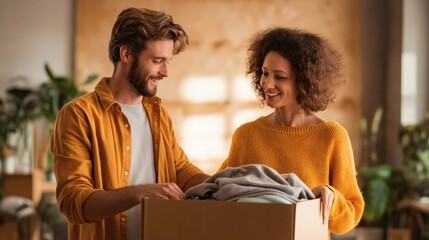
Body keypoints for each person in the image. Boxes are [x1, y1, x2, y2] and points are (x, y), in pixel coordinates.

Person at [50, 7, 209, 240]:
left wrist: (222, 183)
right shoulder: (78, 115)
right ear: (126, 54)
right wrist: (140, 193)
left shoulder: (159, 115)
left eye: (168, 61)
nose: (165, 72)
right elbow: (73, 201)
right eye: (157, 61)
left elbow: (180, 171)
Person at [218, 27, 364, 235]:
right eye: (265, 73)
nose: (268, 83)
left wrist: (330, 197)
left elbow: (349, 217)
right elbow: (220, 197)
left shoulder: (332, 137)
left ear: (304, 82)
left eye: (280, 77)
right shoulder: (246, 135)